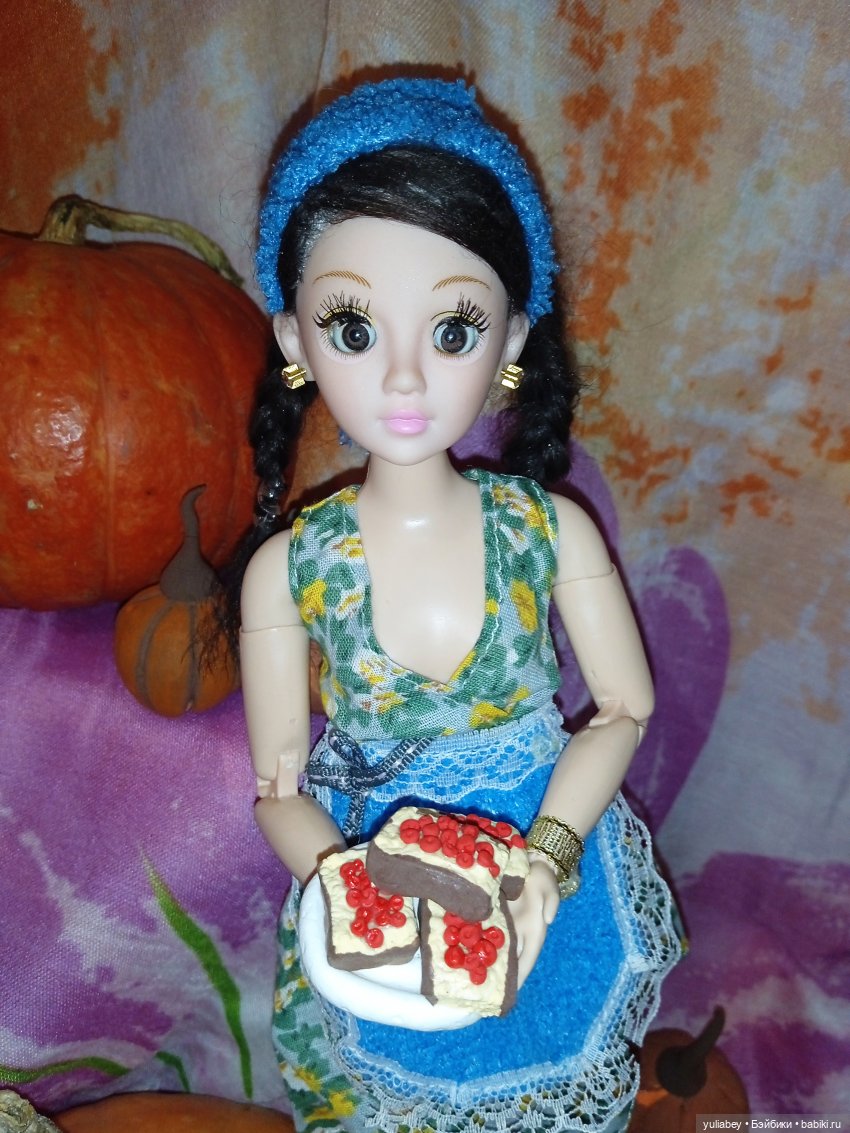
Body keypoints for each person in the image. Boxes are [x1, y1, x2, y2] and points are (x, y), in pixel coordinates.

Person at [235, 78, 680, 1133]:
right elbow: (277, 786)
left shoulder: (546, 532)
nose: (402, 376)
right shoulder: (288, 569)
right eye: (352, 326)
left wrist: (550, 856)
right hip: (374, 894)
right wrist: (352, 886)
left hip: (539, 863)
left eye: (452, 330)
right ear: (293, 340)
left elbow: (624, 707)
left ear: (512, 339)